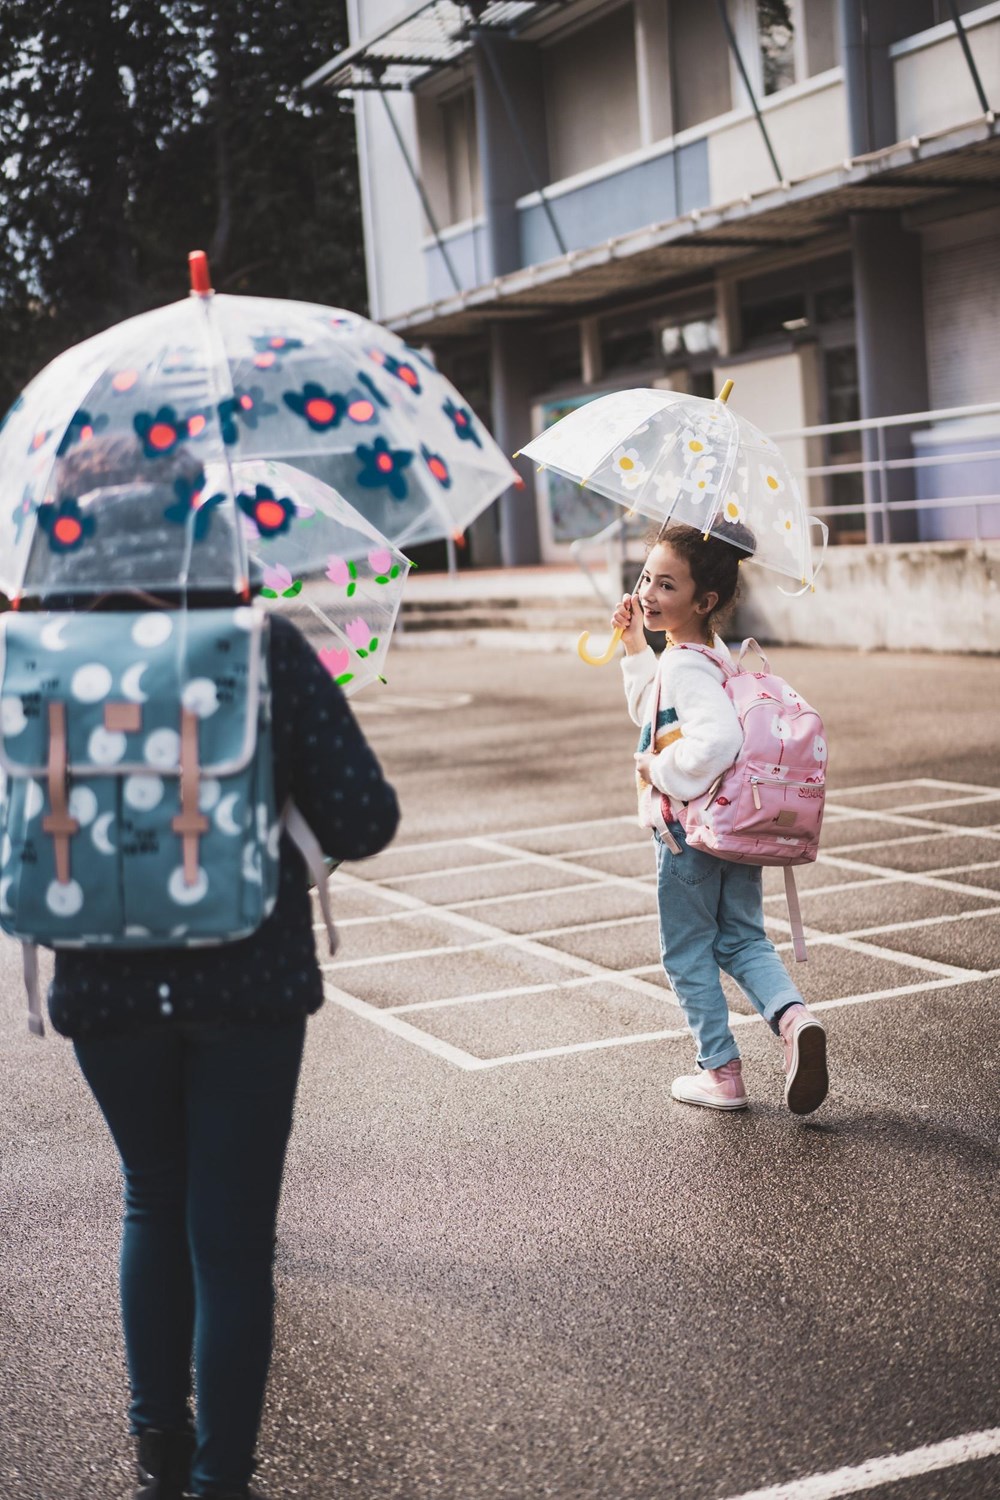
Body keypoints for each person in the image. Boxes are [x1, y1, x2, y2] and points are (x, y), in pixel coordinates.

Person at [36, 438, 400, 1500]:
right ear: (203, 526)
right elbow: (365, 820)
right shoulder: (260, 647)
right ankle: (219, 1482)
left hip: (102, 979)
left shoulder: (40, 656)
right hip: (247, 979)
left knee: (151, 1199)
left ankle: (156, 1456)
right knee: (232, 1245)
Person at [611, 522, 828, 1115]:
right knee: (742, 939)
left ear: (704, 600)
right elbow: (652, 707)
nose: (649, 593)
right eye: (647, 578)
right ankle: (794, 1020)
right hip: (733, 829)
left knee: (686, 952)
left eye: (667, 585)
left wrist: (657, 769)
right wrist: (635, 646)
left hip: (689, 833)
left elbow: (716, 742)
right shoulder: (710, 655)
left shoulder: (683, 665)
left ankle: (721, 1072)